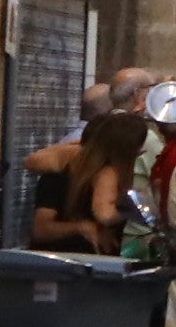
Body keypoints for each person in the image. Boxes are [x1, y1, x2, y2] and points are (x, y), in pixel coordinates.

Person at [24, 106, 145, 255]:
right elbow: (41, 230)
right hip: (60, 265)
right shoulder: (59, 176)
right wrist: (81, 227)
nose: (141, 151)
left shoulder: (111, 174)